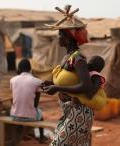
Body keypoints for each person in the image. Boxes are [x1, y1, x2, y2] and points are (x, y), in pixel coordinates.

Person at [41, 6, 97, 146]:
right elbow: (68, 81)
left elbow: (86, 86)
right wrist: (51, 84)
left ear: (68, 37)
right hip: (69, 110)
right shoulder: (67, 57)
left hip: (80, 113)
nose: (58, 37)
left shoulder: (78, 59)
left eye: (60, 34)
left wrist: (57, 87)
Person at [9, 59, 49, 145]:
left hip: (14, 116)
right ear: (30, 69)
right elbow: (35, 104)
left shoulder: (12, 80)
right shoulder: (37, 81)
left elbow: (14, 97)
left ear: (19, 69)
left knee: (16, 106)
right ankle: (41, 137)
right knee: (40, 114)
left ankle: (19, 131)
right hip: (30, 117)